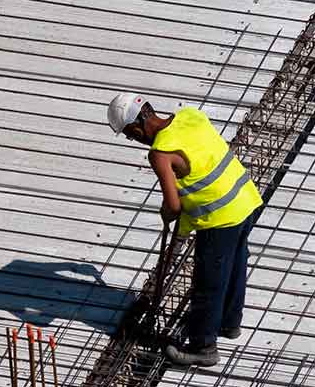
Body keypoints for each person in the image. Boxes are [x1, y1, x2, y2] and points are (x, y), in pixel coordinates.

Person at [107, 93, 263, 367]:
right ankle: (229, 323)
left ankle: (203, 347)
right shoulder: (190, 116)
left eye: (131, 136)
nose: (135, 140)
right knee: (235, 264)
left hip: (220, 218)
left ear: (135, 128)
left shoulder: (160, 153)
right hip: (246, 199)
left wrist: (165, 213)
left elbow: (174, 204)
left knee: (208, 282)